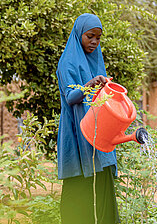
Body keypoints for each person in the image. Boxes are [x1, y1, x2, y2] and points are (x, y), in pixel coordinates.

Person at [56, 13, 120, 224]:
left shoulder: (96, 59)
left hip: (98, 132)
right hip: (77, 131)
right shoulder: (68, 62)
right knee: (79, 186)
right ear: (78, 34)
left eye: (98, 38)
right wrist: (90, 84)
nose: (94, 42)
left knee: (102, 182)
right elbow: (71, 96)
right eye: (90, 36)